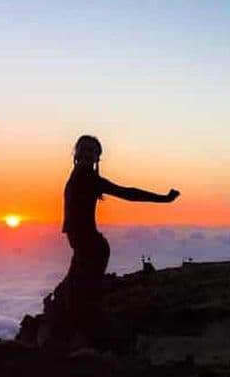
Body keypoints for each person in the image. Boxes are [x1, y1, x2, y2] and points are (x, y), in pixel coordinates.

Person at [61, 135, 179, 345]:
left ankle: (95, 344)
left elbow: (128, 193)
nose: (88, 154)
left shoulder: (89, 179)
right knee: (74, 296)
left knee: (83, 299)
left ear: (98, 157)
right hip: (83, 248)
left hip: (92, 249)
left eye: (92, 151)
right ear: (76, 153)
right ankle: (86, 340)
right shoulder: (79, 175)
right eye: (84, 150)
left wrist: (163, 198)